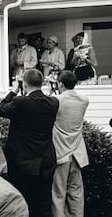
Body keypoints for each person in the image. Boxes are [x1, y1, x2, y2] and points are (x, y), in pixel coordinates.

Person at [0, 69, 59, 217]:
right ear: (42, 83)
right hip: (45, 160)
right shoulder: (53, 103)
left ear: (24, 84)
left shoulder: (20, 102)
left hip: (22, 161)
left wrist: (13, 91)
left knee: (22, 201)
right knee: (43, 203)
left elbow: (1, 109)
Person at [51, 71, 89, 217]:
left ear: (60, 84)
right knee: (76, 193)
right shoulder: (84, 100)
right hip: (78, 152)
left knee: (58, 194)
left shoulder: (56, 100)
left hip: (60, 152)